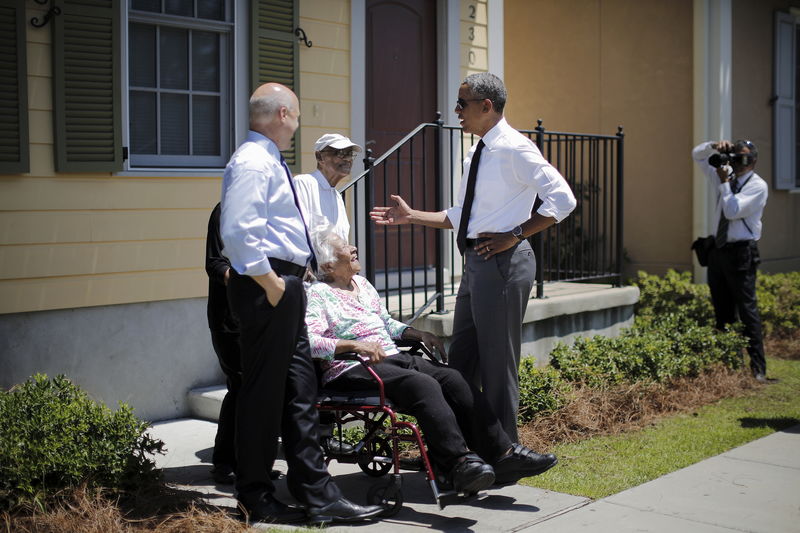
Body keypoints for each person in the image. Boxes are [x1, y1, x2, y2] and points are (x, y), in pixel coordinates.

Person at [370, 73, 576, 441]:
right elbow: (464, 214)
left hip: (504, 265)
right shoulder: (475, 152)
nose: (455, 111)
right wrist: (412, 215)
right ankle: (459, 450)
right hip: (476, 265)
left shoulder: (516, 148)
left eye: (462, 104)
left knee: (498, 366)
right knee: (460, 361)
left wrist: (514, 236)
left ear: (486, 106)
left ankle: (505, 452)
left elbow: (563, 199)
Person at [219, 82, 382, 525]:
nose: (295, 125)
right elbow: (236, 231)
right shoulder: (252, 161)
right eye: (294, 116)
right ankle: (254, 494)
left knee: (297, 393)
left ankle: (317, 493)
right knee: (263, 397)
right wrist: (274, 284)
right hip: (269, 285)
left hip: (285, 284)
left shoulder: (269, 160)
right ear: (283, 115)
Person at [305, 229, 558, 491]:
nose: (354, 248)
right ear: (328, 264)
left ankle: (503, 455)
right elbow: (309, 341)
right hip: (352, 367)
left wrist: (418, 333)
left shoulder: (364, 285)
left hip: (390, 358)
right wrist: (355, 345)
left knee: (453, 377)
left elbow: (385, 323)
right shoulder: (319, 294)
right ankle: (458, 462)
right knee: (422, 385)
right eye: (345, 247)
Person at [204, 203, 281, 485]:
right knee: (241, 387)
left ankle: (250, 463)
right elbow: (215, 264)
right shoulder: (226, 210)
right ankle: (226, 463)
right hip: (231, 319)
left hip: (265, 316)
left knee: (256, 390)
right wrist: (243, 284)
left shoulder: (273, 213)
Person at [692, 139, 771, 382]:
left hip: (741, 252)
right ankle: (730, 365)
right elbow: (697, 155)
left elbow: (733, 211)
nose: (738, 162)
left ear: (754, 161)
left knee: (747, 310)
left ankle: (758, 368)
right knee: (722, 309)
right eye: (735, 157)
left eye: (744, 159)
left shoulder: (758, 186)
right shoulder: (724, 174)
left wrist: (725, 183)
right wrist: (714, 146)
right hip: (718, 250)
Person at [294, 133, 363, 241]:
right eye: (341, 153)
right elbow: (300, 229)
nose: (348, 159)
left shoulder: (336, 196)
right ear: (320, 157)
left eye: (350, 154)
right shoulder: (304, 183)